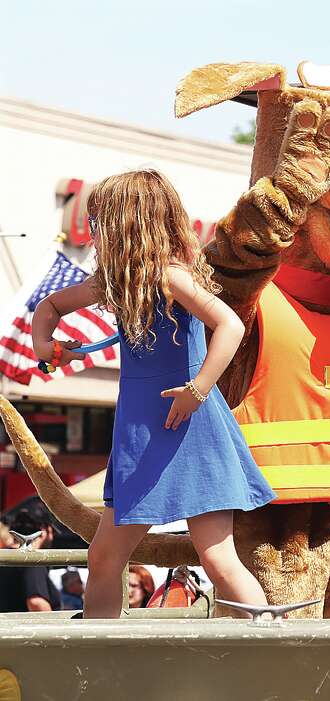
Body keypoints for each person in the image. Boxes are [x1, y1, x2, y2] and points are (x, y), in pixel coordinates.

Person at [31, 169, 276, 619]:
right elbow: (48, 307)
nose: (95, 234)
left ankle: (271, 652)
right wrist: (46, 346)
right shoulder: (114, 284)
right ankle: (98, 666)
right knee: (104, 558)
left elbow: (230, 324)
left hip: (189, 428)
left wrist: (197, 390)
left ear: (129, 224)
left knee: (219, 561)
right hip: (143, 437)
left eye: (102, 222)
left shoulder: (170, 277)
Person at [0, 500, 61, 612]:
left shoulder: (4, 556)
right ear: (45, 531)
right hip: (24, 628)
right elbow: (36, 603)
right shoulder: (32, 561)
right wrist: (54, 627)